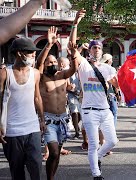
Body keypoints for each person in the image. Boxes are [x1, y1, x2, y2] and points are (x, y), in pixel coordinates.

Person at [70, 9, 119, 179]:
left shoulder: (109, 68)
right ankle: (96, 174)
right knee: (93, 143)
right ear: (89, 51)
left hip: (105, 110)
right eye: (93, 47)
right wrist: (75, 23)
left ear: (101, 50)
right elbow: (71, 46)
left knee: (112, 141)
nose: (96, 49)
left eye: (99, 47)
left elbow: (117, 85)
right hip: (89, 110)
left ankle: (98, 156)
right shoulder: (83, 64)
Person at [35, 26, 80, 180]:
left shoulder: (62, 75)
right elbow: (39, 63)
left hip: (62, 118)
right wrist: (49, 45)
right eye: (49, 62)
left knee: (57, 153)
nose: (52, 64)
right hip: (48, 119)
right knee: (53, 152)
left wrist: (74, 55)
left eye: (54, 61)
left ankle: (51, 177)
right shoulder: (40, 78)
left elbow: (73, 69)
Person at [0, 37, 45, 180]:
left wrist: (42, 120)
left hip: (32, 128)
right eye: (31, 52)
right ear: (19, 53)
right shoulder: (4, 74)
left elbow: (37, 97)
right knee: (17, 170)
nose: (34, 55)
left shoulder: (36, 73)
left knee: (36, 166)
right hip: (11, 131)